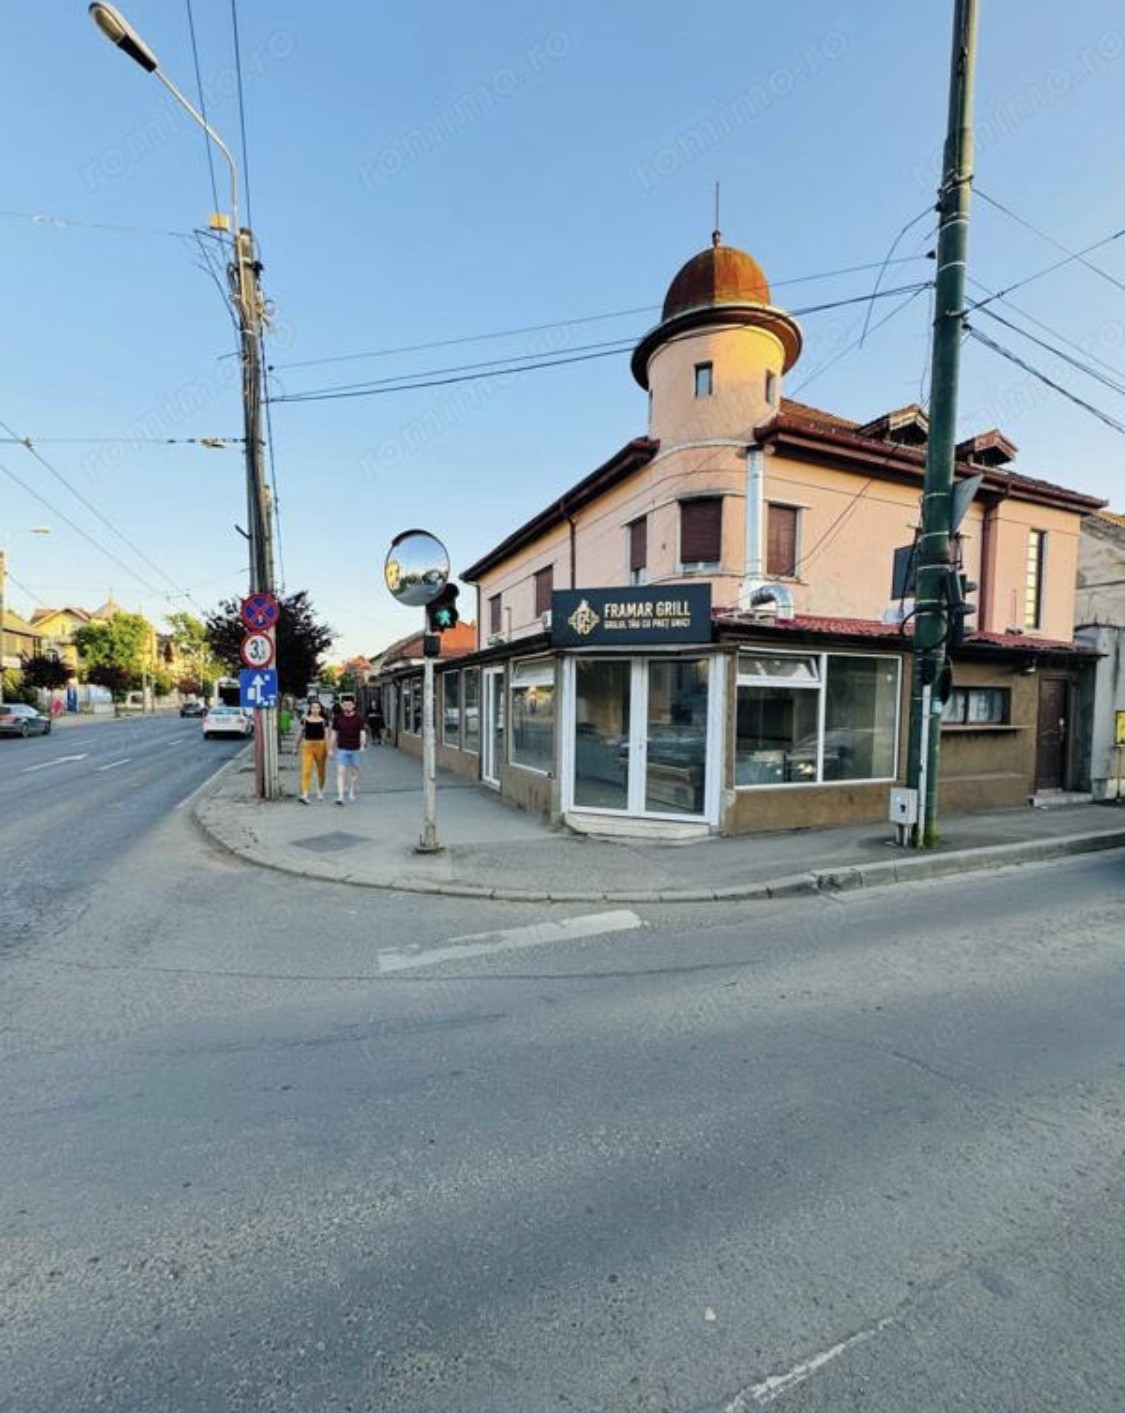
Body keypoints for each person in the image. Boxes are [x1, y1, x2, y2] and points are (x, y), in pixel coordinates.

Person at [329, 697, 367, 804]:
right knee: (340, 772)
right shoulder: (337, 718)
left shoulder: (359, 718)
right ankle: (340, 796)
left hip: (355, 749)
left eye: (349, 705)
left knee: (354, 773)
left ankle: (352, 790)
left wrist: (362, 745)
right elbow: (334, 734)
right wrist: (330, 749)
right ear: (342, 706)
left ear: (353, 705)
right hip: (342, 749)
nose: (347, 707)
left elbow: (362, 732)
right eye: (345, 705)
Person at [296, 699, 329, 804]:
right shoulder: (305, 720)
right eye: (313, 707)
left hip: (320, 745)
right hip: (307, 745)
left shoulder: (324, 721)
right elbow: (301, 733)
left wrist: (329, 749)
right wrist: (296, 746)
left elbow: (327, 735)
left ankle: (320, 790)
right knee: (306, 770)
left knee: (321, 770)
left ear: (320, 709)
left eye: (317, 708)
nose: (315, 709)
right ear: (310, 709)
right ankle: (305, 794)